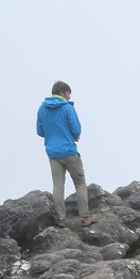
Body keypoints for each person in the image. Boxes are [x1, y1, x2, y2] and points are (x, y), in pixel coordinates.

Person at [36, 82, 93, 228]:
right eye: (68, 93)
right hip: (69, 151)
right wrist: (71, 135)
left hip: (53, 152)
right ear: (62, 92)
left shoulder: (42, 109)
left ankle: (61, 219)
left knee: (58, 184)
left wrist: (53, 134)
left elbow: (40, 131)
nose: (69, 97)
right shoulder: (67, 107)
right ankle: (85, 218)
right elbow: (76, 129)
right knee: (80, 183)